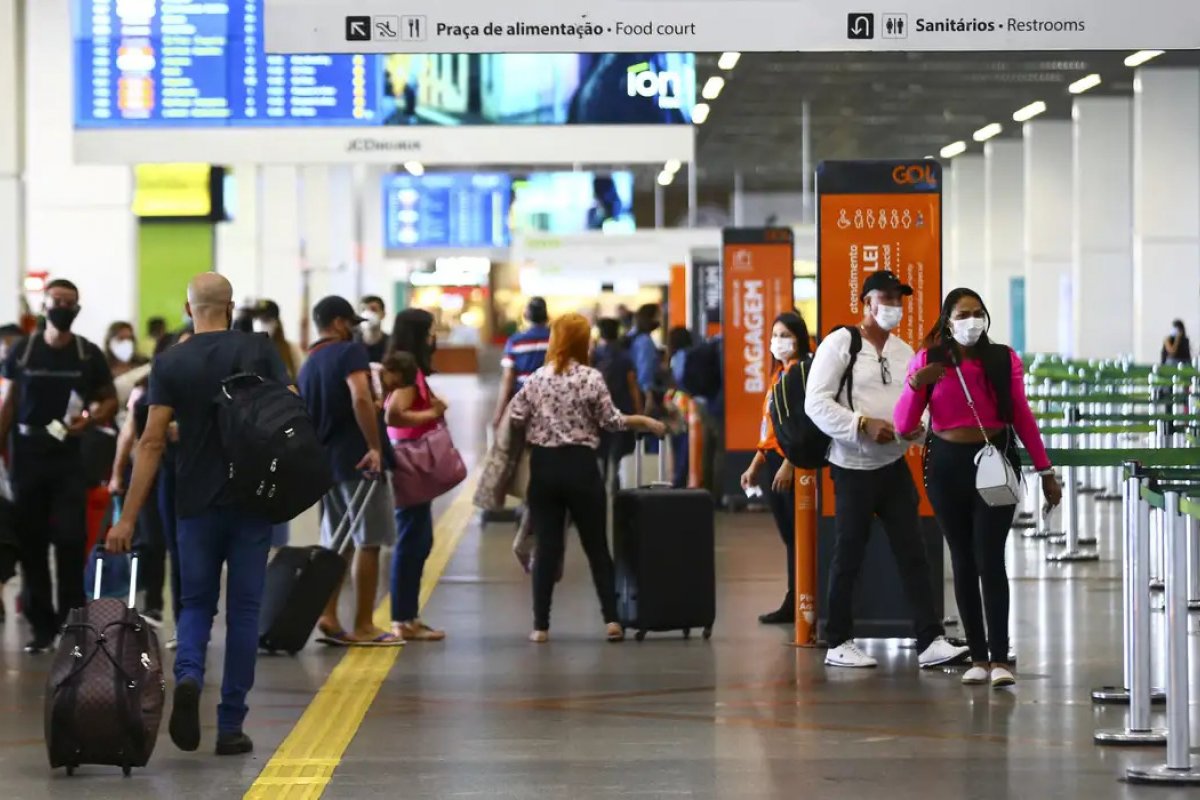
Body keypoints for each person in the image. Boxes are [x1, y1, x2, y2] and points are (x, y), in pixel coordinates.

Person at [106, 272, 291, 757]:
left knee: (195, 605)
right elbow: (292, 413)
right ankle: (230, 725)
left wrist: (127, 518)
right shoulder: (259, 351)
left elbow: (150, 442)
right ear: (231, 306)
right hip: (252, 499)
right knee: (244, 610)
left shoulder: (170, 361)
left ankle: (188, 675)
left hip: (194, 501)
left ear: (189, 310)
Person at [895, 289, 1061, 689]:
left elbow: (1021, 414)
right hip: (946, 466)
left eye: (977, 313)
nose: (971, 321)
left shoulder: (1003, 359)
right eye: (962, 314)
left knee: (990, 558)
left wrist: (1045, 471)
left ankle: (1000, 658)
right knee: (963, 559)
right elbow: (903, 425)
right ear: (947, 321)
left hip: (995, 463)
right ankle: (978, 655)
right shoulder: (929, 360)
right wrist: (916, 384)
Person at [804, 271, 967, 670]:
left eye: (899, 299)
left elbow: (918, 403)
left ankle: (929, 640)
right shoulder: (841, 343)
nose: (894, 306)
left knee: (913, 552)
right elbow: (816, 403)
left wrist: (917, 430)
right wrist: (861, 424)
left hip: (893, 466)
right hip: (852, 468)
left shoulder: (902, 350)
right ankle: (838, 641)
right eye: (886, 298)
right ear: (867, 302)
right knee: (849, 554)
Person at [507, 313, 666, 643]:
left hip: (544, 468)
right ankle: (612, 621)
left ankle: (540, 626)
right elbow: (611, 421)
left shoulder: (537, 378)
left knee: (546, 548)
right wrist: (644, 421)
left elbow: (516, 416)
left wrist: (538, 428)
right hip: (581, 467)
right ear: (582, 341)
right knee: (596, 546)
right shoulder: (591, 378)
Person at [0, 279, 118, 654]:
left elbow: (109, 399)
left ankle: (72, 622)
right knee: (31, 543)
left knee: (70, 539)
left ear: (77, 308)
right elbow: (8, 402)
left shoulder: (87, 354)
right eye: (57, 301)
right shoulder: (22, 351)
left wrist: (92, 416)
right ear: (44, 305)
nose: (63, 308)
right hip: (27, 457)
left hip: (69, 457)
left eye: (70, 303)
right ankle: (41, 627)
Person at [299, 296, 402, 647]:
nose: (355, 331)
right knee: (368, 542)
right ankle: (364, 625)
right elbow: (359, 396)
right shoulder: (350, 352)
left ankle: (328, 616)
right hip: (359, 461)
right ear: (340, 323)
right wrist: (374, 446)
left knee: (338, 544)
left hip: (326, 463)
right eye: (351, 324)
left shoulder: (309, 362)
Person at [740, 312, 811, 625]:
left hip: (790, 464)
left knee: (798, 536)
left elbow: (806, 424)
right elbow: (769, 427)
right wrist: (756, 463)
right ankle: (794, 596)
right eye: (775, 335)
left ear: (800, 339)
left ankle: (801, 598)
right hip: (772, 460)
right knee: (788, 536)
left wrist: (789, 463)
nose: (779, 342)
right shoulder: (779, 375)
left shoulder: (802, 374)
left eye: (786, 335)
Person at [384, 308, 449, 642]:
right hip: (410, 460)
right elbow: (394, 415)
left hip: (411, 459)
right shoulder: (407, 368)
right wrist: (432, 412)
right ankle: (402, 618)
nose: (433, 337)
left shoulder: (405, 365)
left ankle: (408, 615)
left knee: (419, 538)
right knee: (413, 538)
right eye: (429, 331)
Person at [253, 299, 304, 549]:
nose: (263, 324)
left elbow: (299, 385)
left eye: (267, 319)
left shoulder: (289, 350)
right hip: (252, 432)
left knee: (278, 490)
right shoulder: (245, 348)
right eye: (259, 319)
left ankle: (277, 546)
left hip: (280, 430)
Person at [591, 318, 642, 486]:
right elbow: (632, 386)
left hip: (598, 411)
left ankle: (601, 484)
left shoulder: (594, 355)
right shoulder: (625, 356)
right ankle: (615, 486)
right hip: (622, 410)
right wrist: (639, 412)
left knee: (601, 454)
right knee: (618, 454)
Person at [491, 297, 551, 430]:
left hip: (522, 400)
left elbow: (508, 378)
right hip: (550, 401)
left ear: (526, 315)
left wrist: (499, 412)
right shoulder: (555, 339)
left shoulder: (515, 341)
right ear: (547, 316)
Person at [357, 295, 389, 363]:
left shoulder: (391, 344)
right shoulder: (351, 342)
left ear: (383, 314)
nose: (367, 314)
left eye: (373, 310)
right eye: (363, 310)